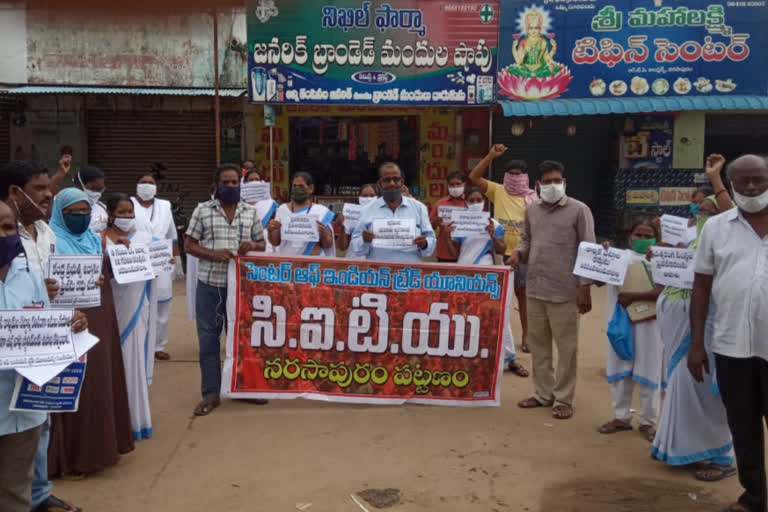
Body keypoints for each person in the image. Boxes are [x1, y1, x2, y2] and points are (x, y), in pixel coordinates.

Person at [0, 163, 81, 512]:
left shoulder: (26, 272)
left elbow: (43, 320)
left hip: (25, 405)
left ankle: (39, 495)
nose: (5, 235)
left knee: (15, 492)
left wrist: (70, 322)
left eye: (7, 228)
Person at [689, 154, 768, 512]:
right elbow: (701, 287)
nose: (752, 188)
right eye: (743, 182)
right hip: (731, 347)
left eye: (759, 180)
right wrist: (696, 345)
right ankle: (754, 497)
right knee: (743, 426)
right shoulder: (717, 228)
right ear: (730, 185)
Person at [48, 188, 135, 477]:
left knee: (100, 379)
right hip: (68, 319)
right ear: (61, 213)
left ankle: (102, 448)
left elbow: (106, 271)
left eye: (86, 212)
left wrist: (104, 271)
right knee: (74, 383)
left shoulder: (93, 239)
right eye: (74, 213)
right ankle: (74, 457)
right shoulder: (50, 240)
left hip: (99, 313)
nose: (81, 218)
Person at [651, 195, 736, 482]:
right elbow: (667, 277)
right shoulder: (689, 241)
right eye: (700, 209)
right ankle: (684, 447)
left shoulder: (728, 243)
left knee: (703, 388)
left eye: (712, 210)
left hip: (707, 329)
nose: (704, 214)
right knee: (681, 387)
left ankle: (723, 456)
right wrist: (660, 256)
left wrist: (716, 181)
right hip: (680, 327)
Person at [511, 160, 595, 420]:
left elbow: (588, 249)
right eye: (546, 182)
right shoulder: (532, 211)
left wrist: (585, 288)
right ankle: (542, 394)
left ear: (564, 183)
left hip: (565, 291)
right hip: (536, 288)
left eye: (556, 180)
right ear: (537, 185)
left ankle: (563, 398)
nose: (552, 185)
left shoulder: (579, 210)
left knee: (567, 348)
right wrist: (518, 253)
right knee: (539, 347)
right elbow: (526, 239)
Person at [185, 164, 266, 416]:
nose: (230, 187)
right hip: (210, 286)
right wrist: (212, 254)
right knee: (209, 341)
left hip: (239, 288)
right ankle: (211, 394)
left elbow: (262, 244)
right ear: (216, 185)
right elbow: (189, 244)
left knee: (240, 340)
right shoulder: (202, 210)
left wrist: (252, 244)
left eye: (234, 183)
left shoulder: (249, 212)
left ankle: (242, 389)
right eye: (226, 183)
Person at [441, 185, 529, 378]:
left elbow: (501, 250)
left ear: (484, 203)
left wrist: (491, 234)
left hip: (487, 274)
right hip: (465, 272)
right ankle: (463, 355)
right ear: (465, 203)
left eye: (478, 200)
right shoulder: (459, 223)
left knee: (496, 315)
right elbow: (455, 252)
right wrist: (447, 235)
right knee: (463, 315)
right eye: (471, 200)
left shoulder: (494, 224)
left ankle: (511, 358)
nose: (474, 203)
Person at [597, 220, 664, 442]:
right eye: (638, 234)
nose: (643, 239)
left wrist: (635, 297)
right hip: (621, 322)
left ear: (656, 238)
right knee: (620, 368)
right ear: (630, 238)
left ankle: (648, 422)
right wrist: (603, 255)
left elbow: (665, 290)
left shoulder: (662, 260)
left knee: (649, 370)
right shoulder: (619, 257)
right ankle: (621, 418)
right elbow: (598, 280)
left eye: (648, 235)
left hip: (651, 324)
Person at [469, 145, 537, 353]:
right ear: (505, 175)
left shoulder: (533, 197)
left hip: (524, 253)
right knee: (496, 297)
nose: (515, 177)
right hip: (500, 253)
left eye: (519, 174)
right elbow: (474, 176)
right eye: (511, 173)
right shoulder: (498, 190)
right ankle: (496, 336)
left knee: (523, 296)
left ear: (525, 176)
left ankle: (526, 335)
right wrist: (491, 155)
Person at [106, 193, 158, 441]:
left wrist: (162, 263)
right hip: (111, 309)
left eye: (130, 213)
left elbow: (154, 266)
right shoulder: (99, 239)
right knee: (113, 363)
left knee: (134, 360)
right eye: (122, 212)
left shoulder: (142, 239)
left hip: (136, 307)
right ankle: (113, 420)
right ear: (110, 214)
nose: (126, 217)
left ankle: (136, 419)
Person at [131, 173, 178, 362]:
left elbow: (172, 232)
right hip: (137, 259)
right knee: (139, 303)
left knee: (162, 305)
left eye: (151, 183)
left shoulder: (165, 206)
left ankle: (158, 345)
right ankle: (138, 344)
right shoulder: (129, 204)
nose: (147, 185)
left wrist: (175, 257)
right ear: (136, 186)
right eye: (143, 182)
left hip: (161, 260)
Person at [350, 162, 436, 262]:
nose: (392, 183)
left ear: (402, 182)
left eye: (396, 179)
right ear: (380, 184)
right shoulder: (367, 210)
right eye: (386, 180)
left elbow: (431, 240)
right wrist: (364, 241)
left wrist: (425, 244)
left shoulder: (419, 208)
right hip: (379, 273)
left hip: (410, 272)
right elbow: (356, 247)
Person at [267, 172, 335, 257]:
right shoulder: (282, 209)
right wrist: (270, 231)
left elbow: (327, 245)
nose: (297, 189)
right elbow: (275, 242)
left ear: (310, 188)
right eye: (294, 186)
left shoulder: (321, 211)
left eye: (301, 186)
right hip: (288, 263)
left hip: (312, 265)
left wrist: (324, 233)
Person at [430, 171, 468, 263]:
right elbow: (431, 226)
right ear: (448, 186)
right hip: (444, 252)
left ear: (464, 184)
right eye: (452, 185)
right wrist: (435, 222)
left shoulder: (470, 202)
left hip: (466, 251)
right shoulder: (440, 204)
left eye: (458, 184)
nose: (455, 187)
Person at [243, 168, 278, 253]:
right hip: (245, 240)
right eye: (251, 180)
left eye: (257, 179)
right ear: (245, 183)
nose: (254, 182)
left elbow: (275, 222)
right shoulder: (238, 203)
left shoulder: (271, 203)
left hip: (265, 241)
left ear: (262, 182)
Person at [335, 183, 378, 253]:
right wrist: (343, 227)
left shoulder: (382, 215)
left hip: (374, 259)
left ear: (377, 197)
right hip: (353, 260)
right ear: (359, 197)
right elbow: (342, 247)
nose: (368, 198)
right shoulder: (351, 215)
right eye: (364, 196)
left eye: (372, 195)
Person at [73, 167, 108, 233]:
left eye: (100, 189)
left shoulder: (103, 207)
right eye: (93, 188)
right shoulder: (66, 208)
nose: (97, 193)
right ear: (79, 184)